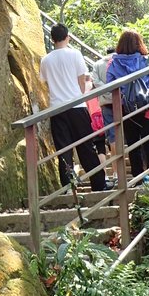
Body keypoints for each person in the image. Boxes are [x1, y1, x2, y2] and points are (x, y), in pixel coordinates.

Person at [39, 23, 108, 191]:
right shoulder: (75, 54)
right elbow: (82, 80)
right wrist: (82, 94)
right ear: (67, 37)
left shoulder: (46, 60)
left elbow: (45, 82)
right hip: (77, 106)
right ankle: (99, 184)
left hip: (57, 109)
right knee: (86, 147)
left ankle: (68, 188)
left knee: (64, 150)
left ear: (52, 39)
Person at [106, 29, 149, 181]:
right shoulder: (145, 60)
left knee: (133, 143)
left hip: (127, 109)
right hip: (147, 107)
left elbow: (109, 86)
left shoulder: (113, 63)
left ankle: (138, 177)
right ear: (139, 43)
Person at [91, 47, 116, 157]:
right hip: (121, 101)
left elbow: (95, 81)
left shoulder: (97, 64)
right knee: (129, 131)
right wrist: (114, 91)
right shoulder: (119, 61)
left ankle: (116, 169)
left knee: (112, 134)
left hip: (105, 102)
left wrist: (107, 90)